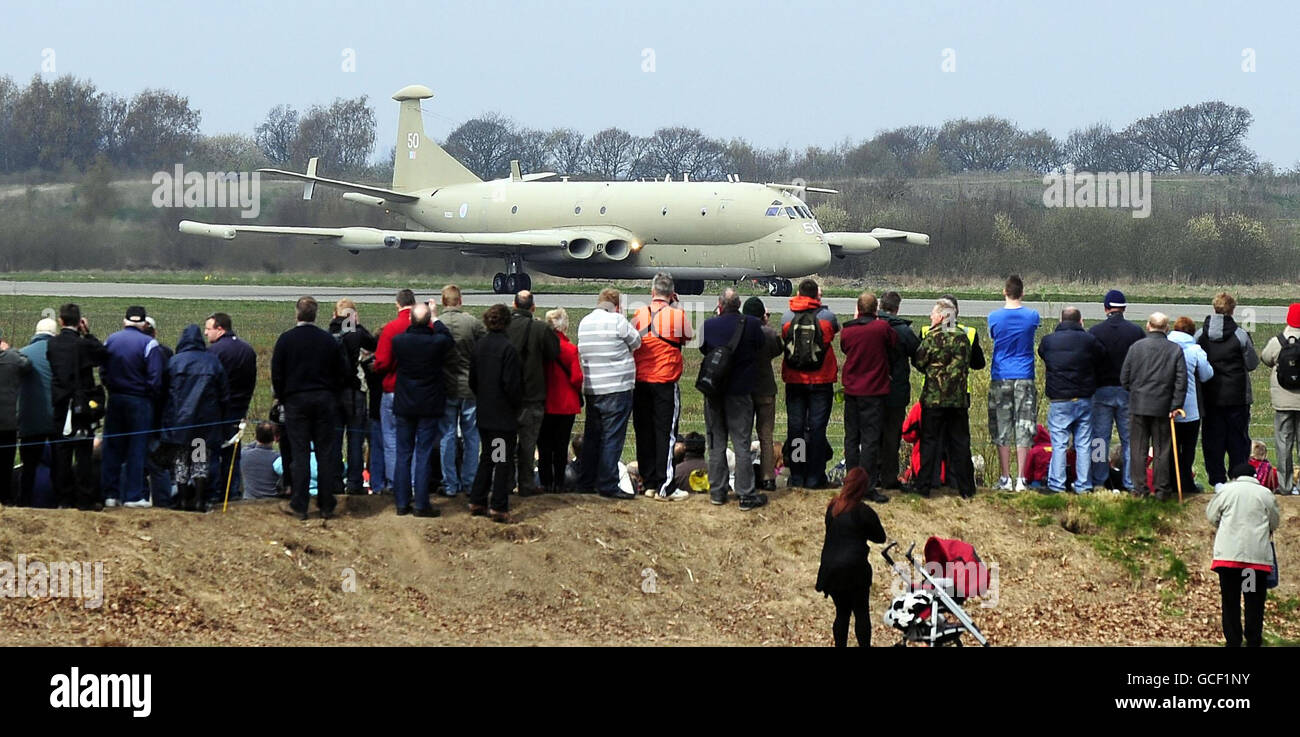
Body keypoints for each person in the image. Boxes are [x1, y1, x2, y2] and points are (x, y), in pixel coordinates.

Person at [270, 296, 350, 521]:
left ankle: (300, 503)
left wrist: (282, 397)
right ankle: (326, 504)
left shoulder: (286, 340)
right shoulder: (327, 340)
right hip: (324, 401)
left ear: (297, 314)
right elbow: (342, 371)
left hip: (296, 402)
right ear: (315, 315)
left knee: (300, 453)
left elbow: (277, 373)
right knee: (325, 453)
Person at [700, 288, 767, 510]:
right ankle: (745, 494)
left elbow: (703, 350)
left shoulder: (709, 325)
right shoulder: (752, 325)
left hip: (715, 391)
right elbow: (759, 346)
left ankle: (717, 492)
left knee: (716, 444)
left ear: (720, 305)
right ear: (739, 305)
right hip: (740, 392)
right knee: (742, 443)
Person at [631, 273, 693, 499]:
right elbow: (687, 337)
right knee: (665, 434)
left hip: (641, 382)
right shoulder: (677, 315)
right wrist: (676, 306)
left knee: (644, 432)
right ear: (671, 293)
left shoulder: (639, 314)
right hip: (665, 381)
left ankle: (648, 483)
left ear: (652, 292)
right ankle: (664, 486)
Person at [1206, 461, 1281, 647]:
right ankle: (1253, 639)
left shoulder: (1226, 492)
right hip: (1254, 560)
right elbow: (1275, 521)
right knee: (1253, 601)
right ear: (1254, 476)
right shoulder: (1265, 494)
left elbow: (1211, 515)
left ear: (1235, 477)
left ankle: (1233, 640)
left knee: (1230, 600)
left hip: (1229, 558)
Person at [577, 288, 641, 499]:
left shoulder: (585, 322)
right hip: (616, 387)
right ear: (617, 305)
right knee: (613, 436)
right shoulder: (617, 321)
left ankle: (586, 480)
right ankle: (608, 482)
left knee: (593, 436)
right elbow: (636, 342)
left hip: (593, 387)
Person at [390, 303, 453, 517]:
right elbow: (447, 338)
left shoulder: (399, 341)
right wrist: (435, 318)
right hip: (428, 404)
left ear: (410, 321)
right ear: (428, 322)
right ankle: (421, 504)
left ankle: (401, 503)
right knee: (424, 453)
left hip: (405, 404)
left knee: (403, 453)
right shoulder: (437, 342)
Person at [100, 305, 166, 508]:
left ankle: (110, 494)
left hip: (116, 398)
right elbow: (156, 378)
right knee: (137, 448)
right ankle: (133, 495)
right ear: (145, 324)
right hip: (139, 401)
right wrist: (147, 394)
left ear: (124, 321)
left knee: (112, 447)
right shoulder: (150, 344)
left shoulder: (111, 340)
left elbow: (103, 370)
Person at [815, 467, 887, 647]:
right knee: (861, 612)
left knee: (842, 613)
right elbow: (880, 537)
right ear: (862, 488)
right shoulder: (863, 511)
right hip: (854, 570)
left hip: (830, 569)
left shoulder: (833, 507)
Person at [912, 298, 977, 498]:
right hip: (957, 400)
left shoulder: (932, 338)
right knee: (960, 442)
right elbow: (971, 362)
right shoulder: (963, 337)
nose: (931, 317)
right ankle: (967, 488)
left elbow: (918, 361)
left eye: (933, 313)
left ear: (941, 316)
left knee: (929, 441)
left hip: (934, 399)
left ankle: (923, 486)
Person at [161, 324, 229, 513]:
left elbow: (164, 392)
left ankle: (182, 500)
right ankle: (199, 500)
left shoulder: (174, 362)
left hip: (180, 423)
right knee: (200, 461)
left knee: (181, 461)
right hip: (204, 423)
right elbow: (224, 395)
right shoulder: (212, 362)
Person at [1195, 293, 1259, 490]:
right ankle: (1238, 477)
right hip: (1237, 397)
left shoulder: (1199, 335)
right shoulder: (1240, 335)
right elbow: (1251, 363)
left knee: (1212, 439)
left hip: (1210, 396)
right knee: (1238, 439)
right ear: (1232, 310)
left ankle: (1216, 480)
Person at [1037, 307, 1104, 493]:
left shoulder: (1048, 341)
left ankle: (1057, 485)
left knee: (1059, 443)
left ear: (1061, 320)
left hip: (1059, 398)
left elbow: (1042, 353)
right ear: (1080, 321)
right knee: (1083, 443)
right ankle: (1084, 485)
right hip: (1084, 397)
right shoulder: (1089, 340)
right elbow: (1101, 355)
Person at [1120, 312, 1187, 500]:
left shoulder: (1136, 348)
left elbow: (1124, 378)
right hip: (1163, 407)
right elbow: (1181, 381)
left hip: (1139, 405)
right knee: (1161, 450)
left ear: (1148, 326)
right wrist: (1175, 405)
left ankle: (1140, 489)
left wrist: (1135, 392)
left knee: (1138, 450)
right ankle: (1161, 490)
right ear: (1167, 328)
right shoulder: (1175, 350)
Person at [780, 278, 840, 489]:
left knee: (795, 428)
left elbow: (784, 336)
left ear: (798, 293)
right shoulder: (827, 317)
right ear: (817, 295)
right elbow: (833, 333)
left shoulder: (787, 316)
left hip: (795, 380)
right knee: (817, 429)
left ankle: (797, 474)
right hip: (821, 380)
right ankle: (815, 475)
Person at [47, 304, 107, 511]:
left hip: (61, 404)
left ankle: (63, 498)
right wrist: (88, 334)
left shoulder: (53, 344)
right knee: (83, 453)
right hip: (82, 404)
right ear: (79, 321)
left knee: (62, 452)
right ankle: (85, 498)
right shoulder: (83, 345)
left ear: (60, 321)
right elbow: (102, 354)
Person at [839, 291, 896, 503]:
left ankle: (851, 483)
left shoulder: (848, 331)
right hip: (873, 391)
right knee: (870, 441)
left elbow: (845, 348)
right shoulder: (882, 328)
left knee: (851, 438)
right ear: (876, 309)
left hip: (853, 390)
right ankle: (868, 485)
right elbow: (893, 342)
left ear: (858, 309)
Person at [986, 275, 1041, 492]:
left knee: (1002, 425)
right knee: (1024, 425)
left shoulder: (994, 317)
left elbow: (993, 336)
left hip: (1001, 374)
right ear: (1022, 293)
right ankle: (1021, 479)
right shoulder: (1032, 316)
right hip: (1025, 374)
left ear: (1004, 292)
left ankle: (1005, 477)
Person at [469, 304, 522, 522]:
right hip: (502, 417)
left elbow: (472, 379)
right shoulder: (508, 349)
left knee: (487, 457)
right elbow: (511, 384)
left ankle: (478, 499)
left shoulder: (479, 346)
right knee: (500, 459)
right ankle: (498, 505)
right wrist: (516, 404)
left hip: (484, 413)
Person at [1088, 289, 1146, 491]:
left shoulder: (1095, 332)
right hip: (1127, 392)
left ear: (1106, 309)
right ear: (1124, 309)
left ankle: (1099, 481)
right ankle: (1131, 483)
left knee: (1099, 440)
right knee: (1130, 441)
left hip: (1101, 391)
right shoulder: (1136, 332)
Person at [505, 290, 559, 497]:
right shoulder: (539, 328)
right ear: (533, 307)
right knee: (527, 444)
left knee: (501, 442)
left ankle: (503, 479)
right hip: (531, 396)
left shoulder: (502, 326)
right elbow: (553, 353)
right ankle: (526, 484)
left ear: (514, 305)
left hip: (505, 399)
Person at [437, 284, 485, 497]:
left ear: (443, 301)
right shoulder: (472, 322)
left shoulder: (438, 324)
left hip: (446, 387)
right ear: (460, 300)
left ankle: (449, 484)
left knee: (447, 435)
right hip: (469, 386)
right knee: (472, 435)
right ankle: (470, 481)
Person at [204, 311, 257, 502]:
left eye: (209, 329)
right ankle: (232, 492)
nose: (205, 333)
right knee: (233, 453)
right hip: (239, 408)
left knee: (212, 453)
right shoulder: (248, 350)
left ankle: (215, 492)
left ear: (220, 328)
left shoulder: (214, 352)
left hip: (218, 410)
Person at [328, 299, 377, 495]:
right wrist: (355, 323)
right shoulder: (356, 332)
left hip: (334, 392)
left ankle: (335, 482)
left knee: (335, 439)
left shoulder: (329, 333)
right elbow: (373, 343)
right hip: (355, 392)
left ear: (335, 314)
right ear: (353, 315)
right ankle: (355, 483)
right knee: (355, 438)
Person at [372, 289, 418, 498]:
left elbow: (381, 363)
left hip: (392, 390)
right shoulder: (425, 326)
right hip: (417, 392)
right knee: (416, 440)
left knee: (391, 440)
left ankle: (394, 483)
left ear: (398, 305)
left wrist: (374, 368)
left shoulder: (391, 329)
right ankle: (415, 482)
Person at [877, 291, 919, 491]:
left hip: (872, 389)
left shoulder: (870, 325)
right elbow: (918, 355)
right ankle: (889, 477)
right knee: (892, 436)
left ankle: (869, 475)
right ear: (897, 308)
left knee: (871, 434)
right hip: (896, 390)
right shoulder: (903, 330)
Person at [1257, 302, 1300, 495]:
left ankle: (1285, 486)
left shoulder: (1278, 341)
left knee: (1283, 443)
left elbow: (1266, 358)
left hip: (1282, 402)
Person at [742, 297, 784, 492]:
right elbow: (778, 349)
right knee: (766, 435)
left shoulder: (739, 331)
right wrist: (766, 324)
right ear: (762, 315)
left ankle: (745, 477)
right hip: (766, 388)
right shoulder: (768, 333)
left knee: (743, 434)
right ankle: (768, 478)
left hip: (744, 390)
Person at [1170, 316, 1214, 497]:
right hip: (1190, 409)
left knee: (1169, 447)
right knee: (1187, 449)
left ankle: (1172, 482)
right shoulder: (1195, 350)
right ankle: (1186, 482)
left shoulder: (1166, 346)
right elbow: (1206, 375)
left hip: (1168, 408)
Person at [540, 307, 583, 494]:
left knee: (543, 445)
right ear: (564, 326)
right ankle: (559, 482)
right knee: (561, 444)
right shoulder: (570, 349)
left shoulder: (540, 348)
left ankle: (544, 482)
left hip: (545, 402)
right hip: (565, 404)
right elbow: (576, 378)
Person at [17, 318, 58, 507]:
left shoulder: (22, 354)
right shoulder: (60, 354)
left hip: (29, 419)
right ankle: (60, 501)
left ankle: (24, 501)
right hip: (57, 418)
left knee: (29, 467)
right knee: (59, 465)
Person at [0, 328, 33, 505]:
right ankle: (5, 497)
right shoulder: (12, 358)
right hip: (8, 421)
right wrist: (10, 349)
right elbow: (27, 364)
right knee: (6, 461)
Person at [241, 421, 282, 500]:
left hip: (249, 500)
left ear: (256, 436)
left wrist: (259, 437)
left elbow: (247, 446)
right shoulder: (278, 458)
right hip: (272, 500)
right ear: (275, 437)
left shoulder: (244, 454)